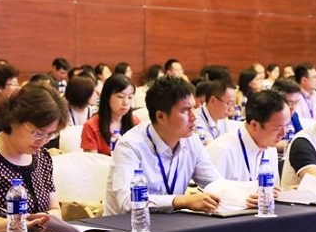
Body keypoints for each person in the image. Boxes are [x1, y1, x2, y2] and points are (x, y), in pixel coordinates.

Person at [0, 82, 68, 232]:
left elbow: (54, 209)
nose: (43, 141)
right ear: (14, 120)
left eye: (50, 134)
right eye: (37, 133)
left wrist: (44, 219)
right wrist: (18, 224)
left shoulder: (42, 157)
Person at [105, 76, 222, 215]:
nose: (193, 117)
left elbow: (216, 185)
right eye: (185, 111)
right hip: (127, 225)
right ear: (161, 117)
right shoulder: (130, 145)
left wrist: (243, 195)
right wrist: (182, 201)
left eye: (193, 108)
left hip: (171, 224)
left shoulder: (192, 141)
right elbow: (128, 202)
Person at [206, 90, 289, 188]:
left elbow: (272, 191)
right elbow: (209, 193)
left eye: (286, 125)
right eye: (277, 128)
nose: (284, 133)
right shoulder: (221, 151)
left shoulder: (270, 149)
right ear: (254, 125)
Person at [81, 74, 140, 156]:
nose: (126, 102)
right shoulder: (91, 126)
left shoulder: (135, 122)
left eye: (130, 97)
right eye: (120, 96)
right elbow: (92, 161)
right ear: (107, 97)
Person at [193, 80, 237, 144]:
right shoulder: (195, 119)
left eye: (233, 104)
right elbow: (209, 146)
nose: (232, 109)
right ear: (212, 100)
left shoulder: (222, 117)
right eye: (229, 103)